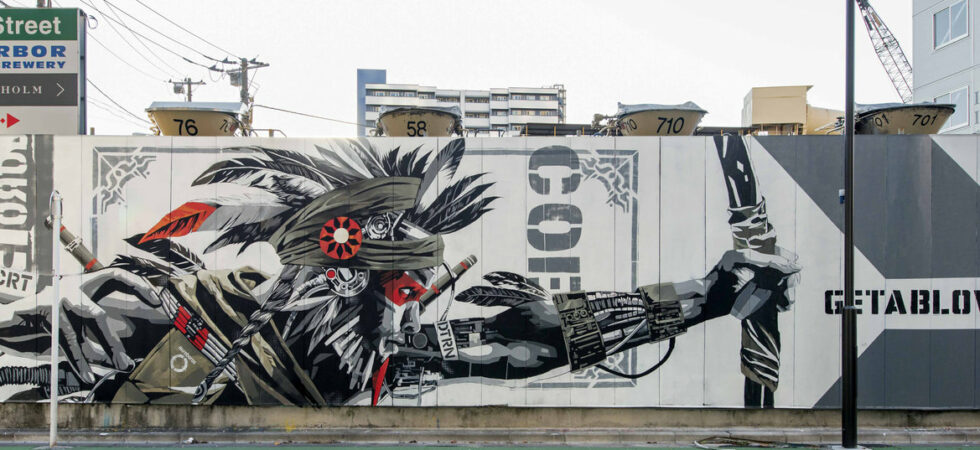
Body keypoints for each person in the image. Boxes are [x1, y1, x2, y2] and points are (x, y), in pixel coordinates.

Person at [0, 138, 799, 406]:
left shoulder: (376, 357)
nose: (411, 304)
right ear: (343, 272)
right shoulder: (159, 305)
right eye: (398, 286)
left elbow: (520, 340)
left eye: (412, 289)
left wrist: (701, 298)